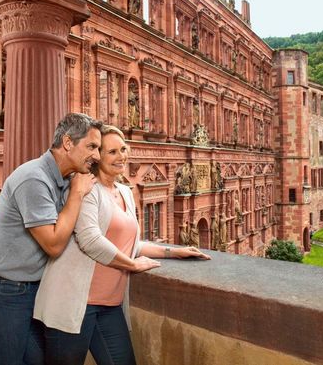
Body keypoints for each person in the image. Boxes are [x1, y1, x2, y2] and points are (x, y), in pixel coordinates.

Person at [34, 125, 211, 365]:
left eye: (124, 150)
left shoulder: (125, 191)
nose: (122, 157)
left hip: (109, 305)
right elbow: (90, 240)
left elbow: (130, 243)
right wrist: (131, 265)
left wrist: (174, 251)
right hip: (74, 302)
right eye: (112, 152)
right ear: (97, 158)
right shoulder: (88, 190)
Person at [0, 113, 102, 365]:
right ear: (68, 142)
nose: (98, 156)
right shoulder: (33, 177)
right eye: (92, 146)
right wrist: (77, 195)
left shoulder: (64, 179)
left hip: (29, 291)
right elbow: (53, 244)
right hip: (1, 292)